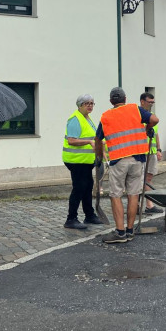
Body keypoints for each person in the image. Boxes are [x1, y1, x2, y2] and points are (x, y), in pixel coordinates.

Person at [95, 87, 158, 244]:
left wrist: (98, 156)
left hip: (118, 160)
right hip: (138, 158)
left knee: (116, 195)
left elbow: (98, 140)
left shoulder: (106, 116)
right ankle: (129, 231)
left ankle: (120, 232)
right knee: (133, 194)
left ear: (111, 101)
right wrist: (148, 128)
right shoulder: (134, 109)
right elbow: (155, 120)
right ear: (125, 99)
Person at [62, 94, 103, 230]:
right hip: (75, 161)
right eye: (87, 103)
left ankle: (89, 215)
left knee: (88, 186)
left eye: (92, 103)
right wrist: (89, 142)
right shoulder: (75, 119)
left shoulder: (87, 118)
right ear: (80, 105)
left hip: (85, 161)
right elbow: (71, 140)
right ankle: (71, 219)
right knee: (79, 188)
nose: (90, 106)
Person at [139, 92, 163, 214]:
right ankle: (137, 205)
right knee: (138, 179)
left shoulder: (153, 116)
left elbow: (156, 134)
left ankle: (149, 205)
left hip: (151, 152)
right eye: (150, 102)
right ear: (142, 101)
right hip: (141, 152)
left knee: (148, 178)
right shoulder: (137, 116)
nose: (152, 105)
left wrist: (158, 149)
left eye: (153, 102)